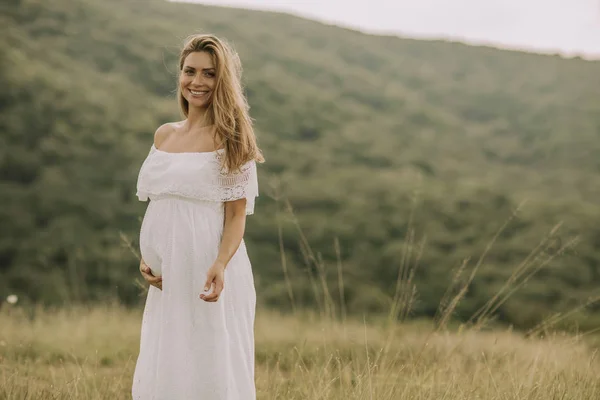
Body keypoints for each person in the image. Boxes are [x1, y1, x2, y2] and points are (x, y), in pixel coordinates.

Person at [132, 34, 264, 400]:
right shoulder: (164, 135)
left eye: (209, 73)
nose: (197, 81)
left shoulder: (231, 138)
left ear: (222, 80)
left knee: (211, 361)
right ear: (180, 75)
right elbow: (162, 206)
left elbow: (237, 215)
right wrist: (149, 257)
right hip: (168, 279)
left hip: (211, 271)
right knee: (170, 360)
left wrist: (221, 263)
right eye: (190, 71)